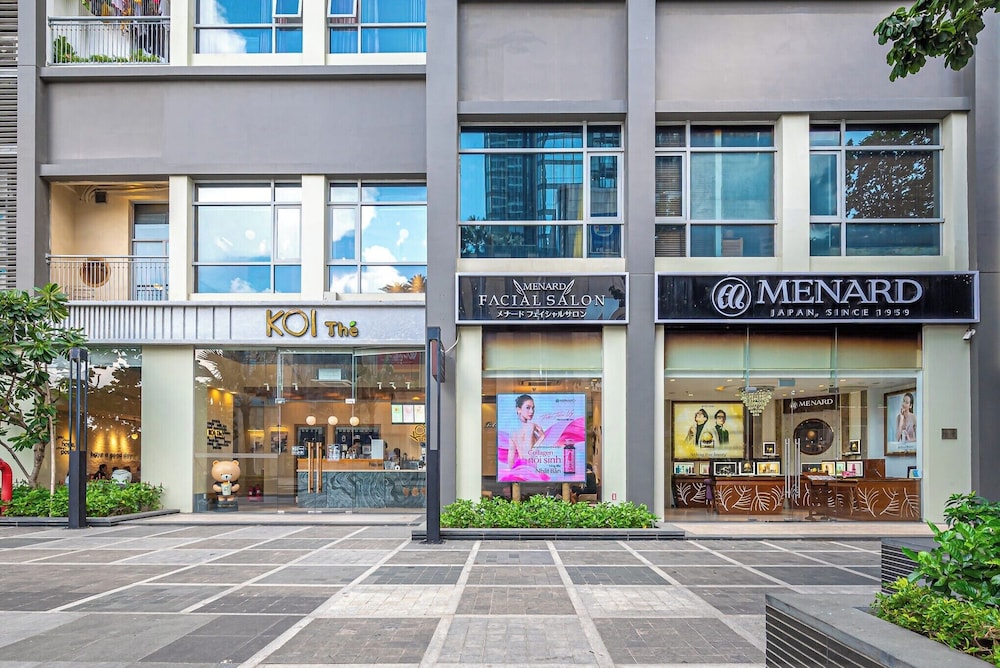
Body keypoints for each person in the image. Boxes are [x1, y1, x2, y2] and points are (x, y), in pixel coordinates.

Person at [508, 394, 546, 469]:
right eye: (528, 408)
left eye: (533, 408)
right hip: (529, 468)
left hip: (519, 468)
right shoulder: (531, 426)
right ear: (519, 409)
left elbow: (510, 458)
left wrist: (512, 473)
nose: (531, 411)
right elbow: (528, 454)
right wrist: (542, 437)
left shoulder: (513, 431)